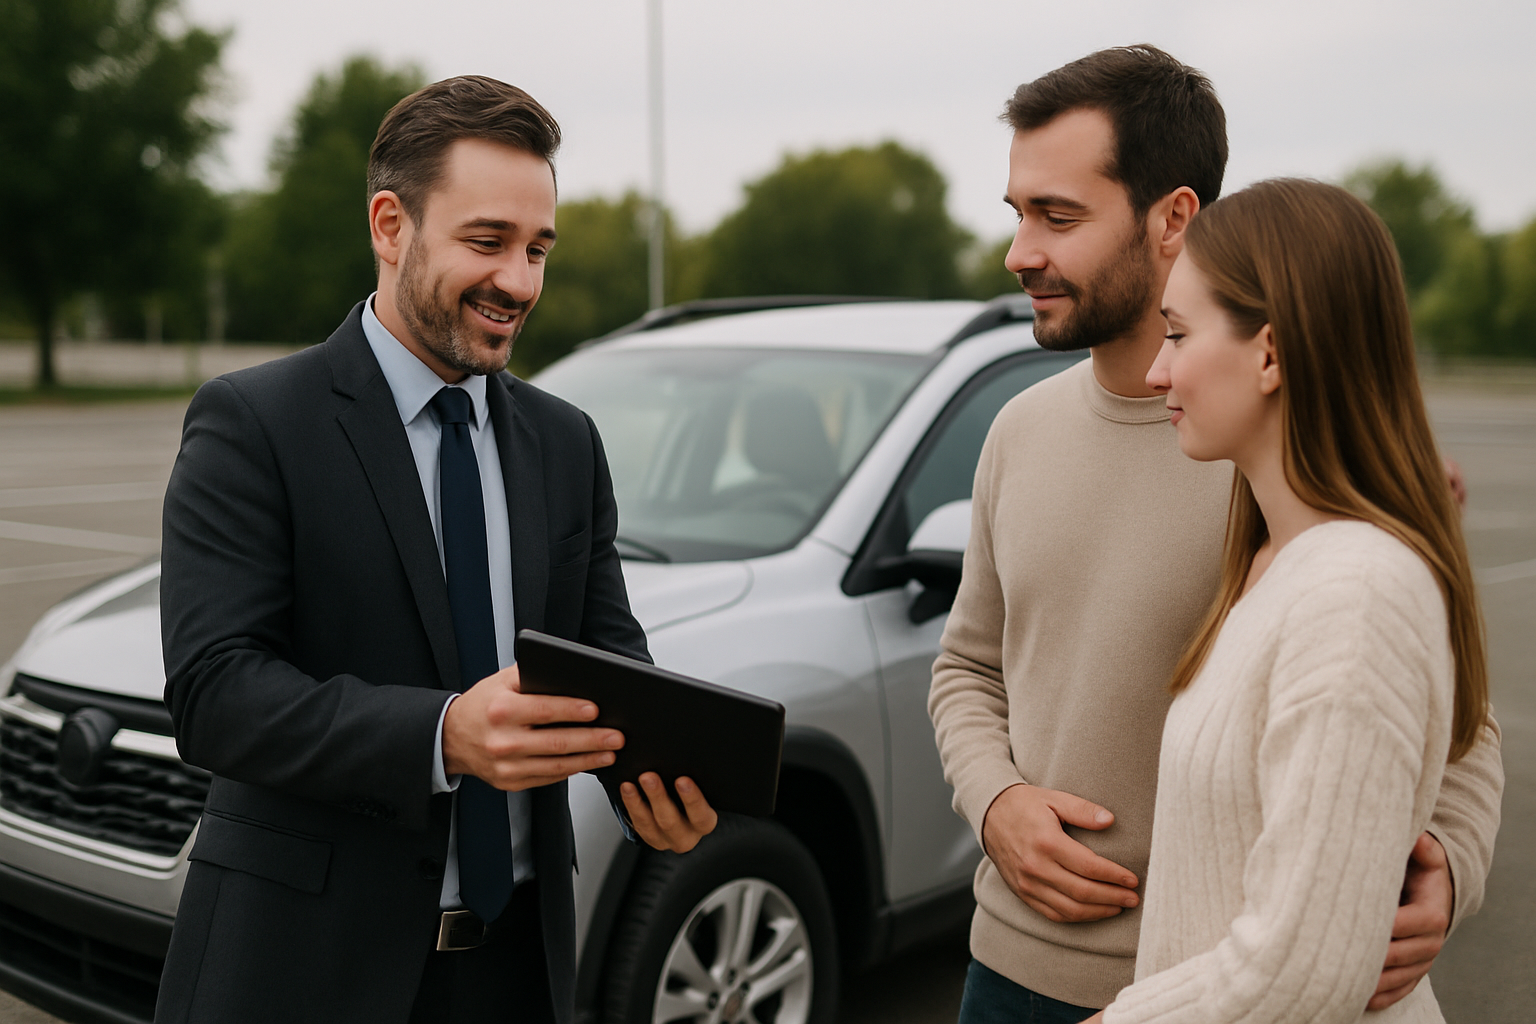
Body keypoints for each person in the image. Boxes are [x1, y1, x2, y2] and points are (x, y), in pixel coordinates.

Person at [928, 46, 1503, 1023]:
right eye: (1016, 212)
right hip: (1011, 964)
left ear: (1174, 219)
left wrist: (1449, 858)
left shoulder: (1290, 467)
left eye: (1057, 216)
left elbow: (1452, 719)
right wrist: (995, 802)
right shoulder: (1016, 432)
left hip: (1226, 982)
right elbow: (966, 666)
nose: (1022, 250)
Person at [156, 76, 715, 1024]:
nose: (522, 282)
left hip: (515, 971)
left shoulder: (566, 441)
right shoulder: (254, 422)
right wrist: (442, 733)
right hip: (306, 971)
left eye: (538, 249)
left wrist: (652, 784)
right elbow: (216, 695)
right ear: (390, 224)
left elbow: (609, 662)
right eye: (488, 242)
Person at [1085, 177, 1484, 1024]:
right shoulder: (1276, 561)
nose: (1157, 371)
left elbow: (1299, 976)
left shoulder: (1354, 593)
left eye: (1180, 335)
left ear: (1270, 355)